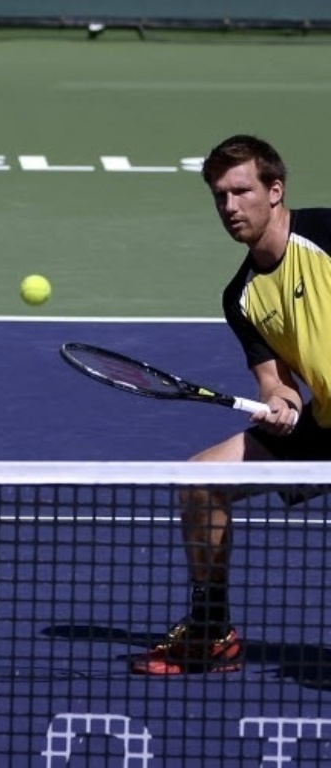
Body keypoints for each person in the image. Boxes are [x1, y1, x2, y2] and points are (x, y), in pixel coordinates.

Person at [131, 134, 317, 674]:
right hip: (326, 424)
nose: (229, 207)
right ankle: (211, 630)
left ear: (275, 190)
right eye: (219, 196)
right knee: (201, 480)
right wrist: (282, 407)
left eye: (241, 191)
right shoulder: (241, 297)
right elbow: (274, 384)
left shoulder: (327, 235)